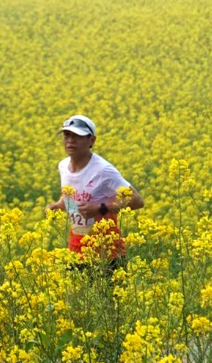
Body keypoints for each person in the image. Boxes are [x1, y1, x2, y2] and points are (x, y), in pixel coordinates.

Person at [46, 114, 144, 270]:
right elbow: (70, 197)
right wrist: (58, 206)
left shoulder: (103, 170)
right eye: (67, 135)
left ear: (91, 140)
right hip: (75, 251)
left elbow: (137, 200)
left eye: (77, 136)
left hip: (107, 254)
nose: (70, 140)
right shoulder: (63, 166)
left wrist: (100, 208)